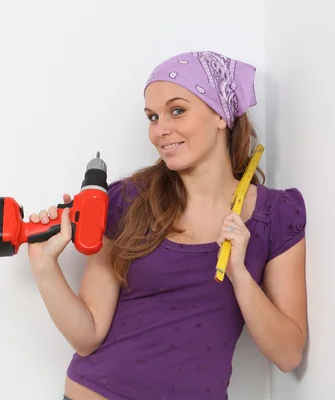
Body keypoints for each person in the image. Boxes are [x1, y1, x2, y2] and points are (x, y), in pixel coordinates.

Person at [26, 50, 308, 400]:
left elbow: (288, 355)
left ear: (221, 115)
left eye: (177, 110)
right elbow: (88, 337)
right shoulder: (127, 202)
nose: (161, 130)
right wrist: (44, 265)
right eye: (152, 117)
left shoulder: (276, 215)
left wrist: (240, 275)